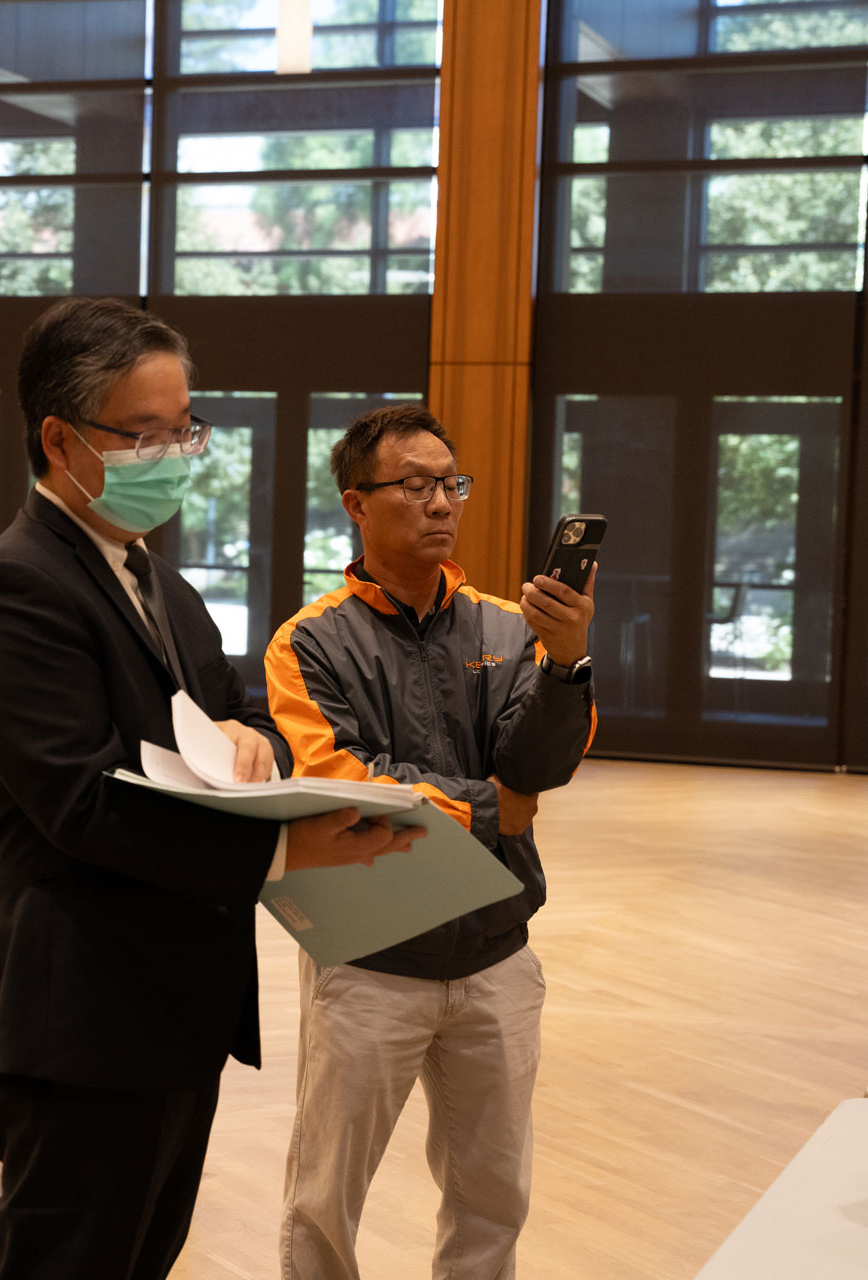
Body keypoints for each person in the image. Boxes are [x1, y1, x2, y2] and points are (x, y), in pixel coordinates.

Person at [0, 297, 419, 1280]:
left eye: (184, 427)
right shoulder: (15, 586)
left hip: (173, 1007)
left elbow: (231, 718)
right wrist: (282, 851)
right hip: (77, 1018)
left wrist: (251, 741)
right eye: (145, 432)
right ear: (59, 437)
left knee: (142, 1256)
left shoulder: (158, 581)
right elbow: (77, 803)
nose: (174, 451)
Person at [265, 402, 597, 1280]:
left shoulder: (505, 625)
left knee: (494, 1198)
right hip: (372, 958)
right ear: (357, 503)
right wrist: (492, 810)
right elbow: (342, 784)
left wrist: (566, 663)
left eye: (451, 483)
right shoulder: (309, 643)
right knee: (325, 1199)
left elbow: (543, 767)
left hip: (496, 956)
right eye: (414, 484)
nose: (442, 502)